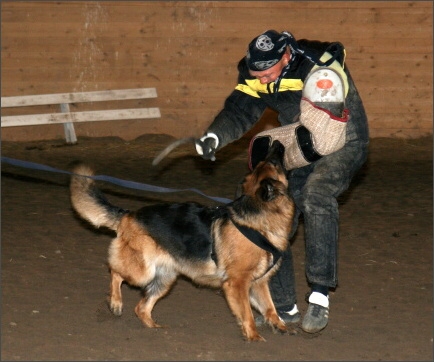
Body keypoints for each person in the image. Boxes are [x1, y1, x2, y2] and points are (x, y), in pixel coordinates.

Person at [194, 29, 369, 333]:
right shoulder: (255, 72)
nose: (262, 80)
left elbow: (328, 135)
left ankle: (320, 295)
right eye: (256, 73)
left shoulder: (320, 67)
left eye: (268, 74)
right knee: (266, 205)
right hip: (302, 138)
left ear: (287, 56)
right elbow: (240, 109)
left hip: (343, 137)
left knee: (316, 195)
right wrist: (214, 136)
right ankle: (285, 305)